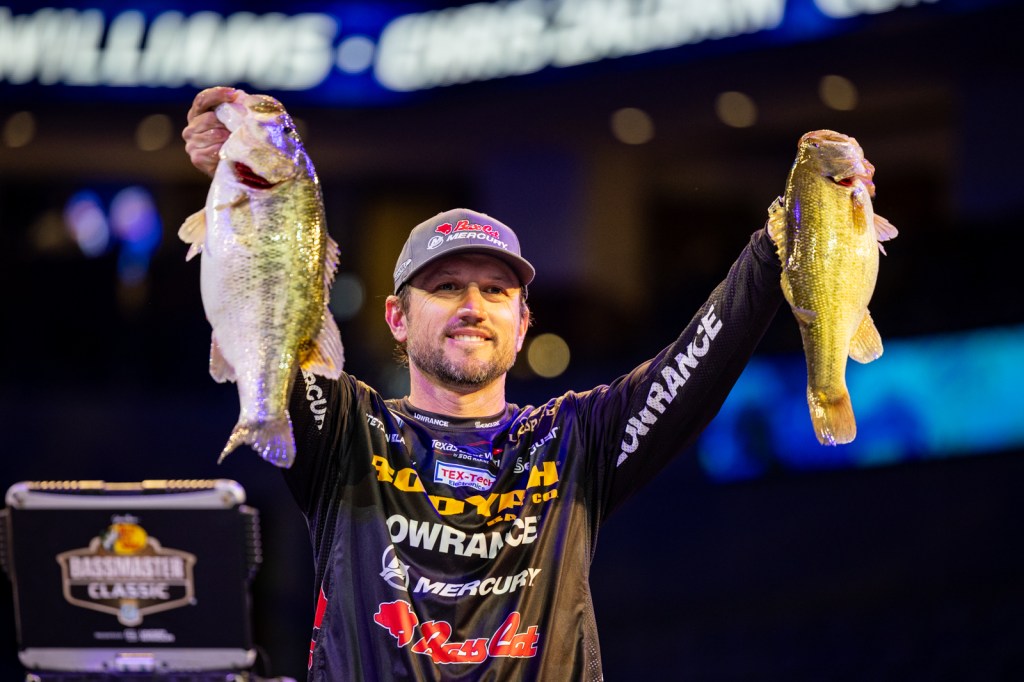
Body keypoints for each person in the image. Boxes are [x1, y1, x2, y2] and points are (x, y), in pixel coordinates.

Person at [183, 86, 784, 681]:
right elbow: (271, 310)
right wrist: (242, 187)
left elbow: (696, 363)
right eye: (446, 287)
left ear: (522, 325)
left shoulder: (575, 438)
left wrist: (775, 246)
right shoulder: (346, 431)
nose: (472, 306)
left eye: (495, 291)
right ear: (397, 317)